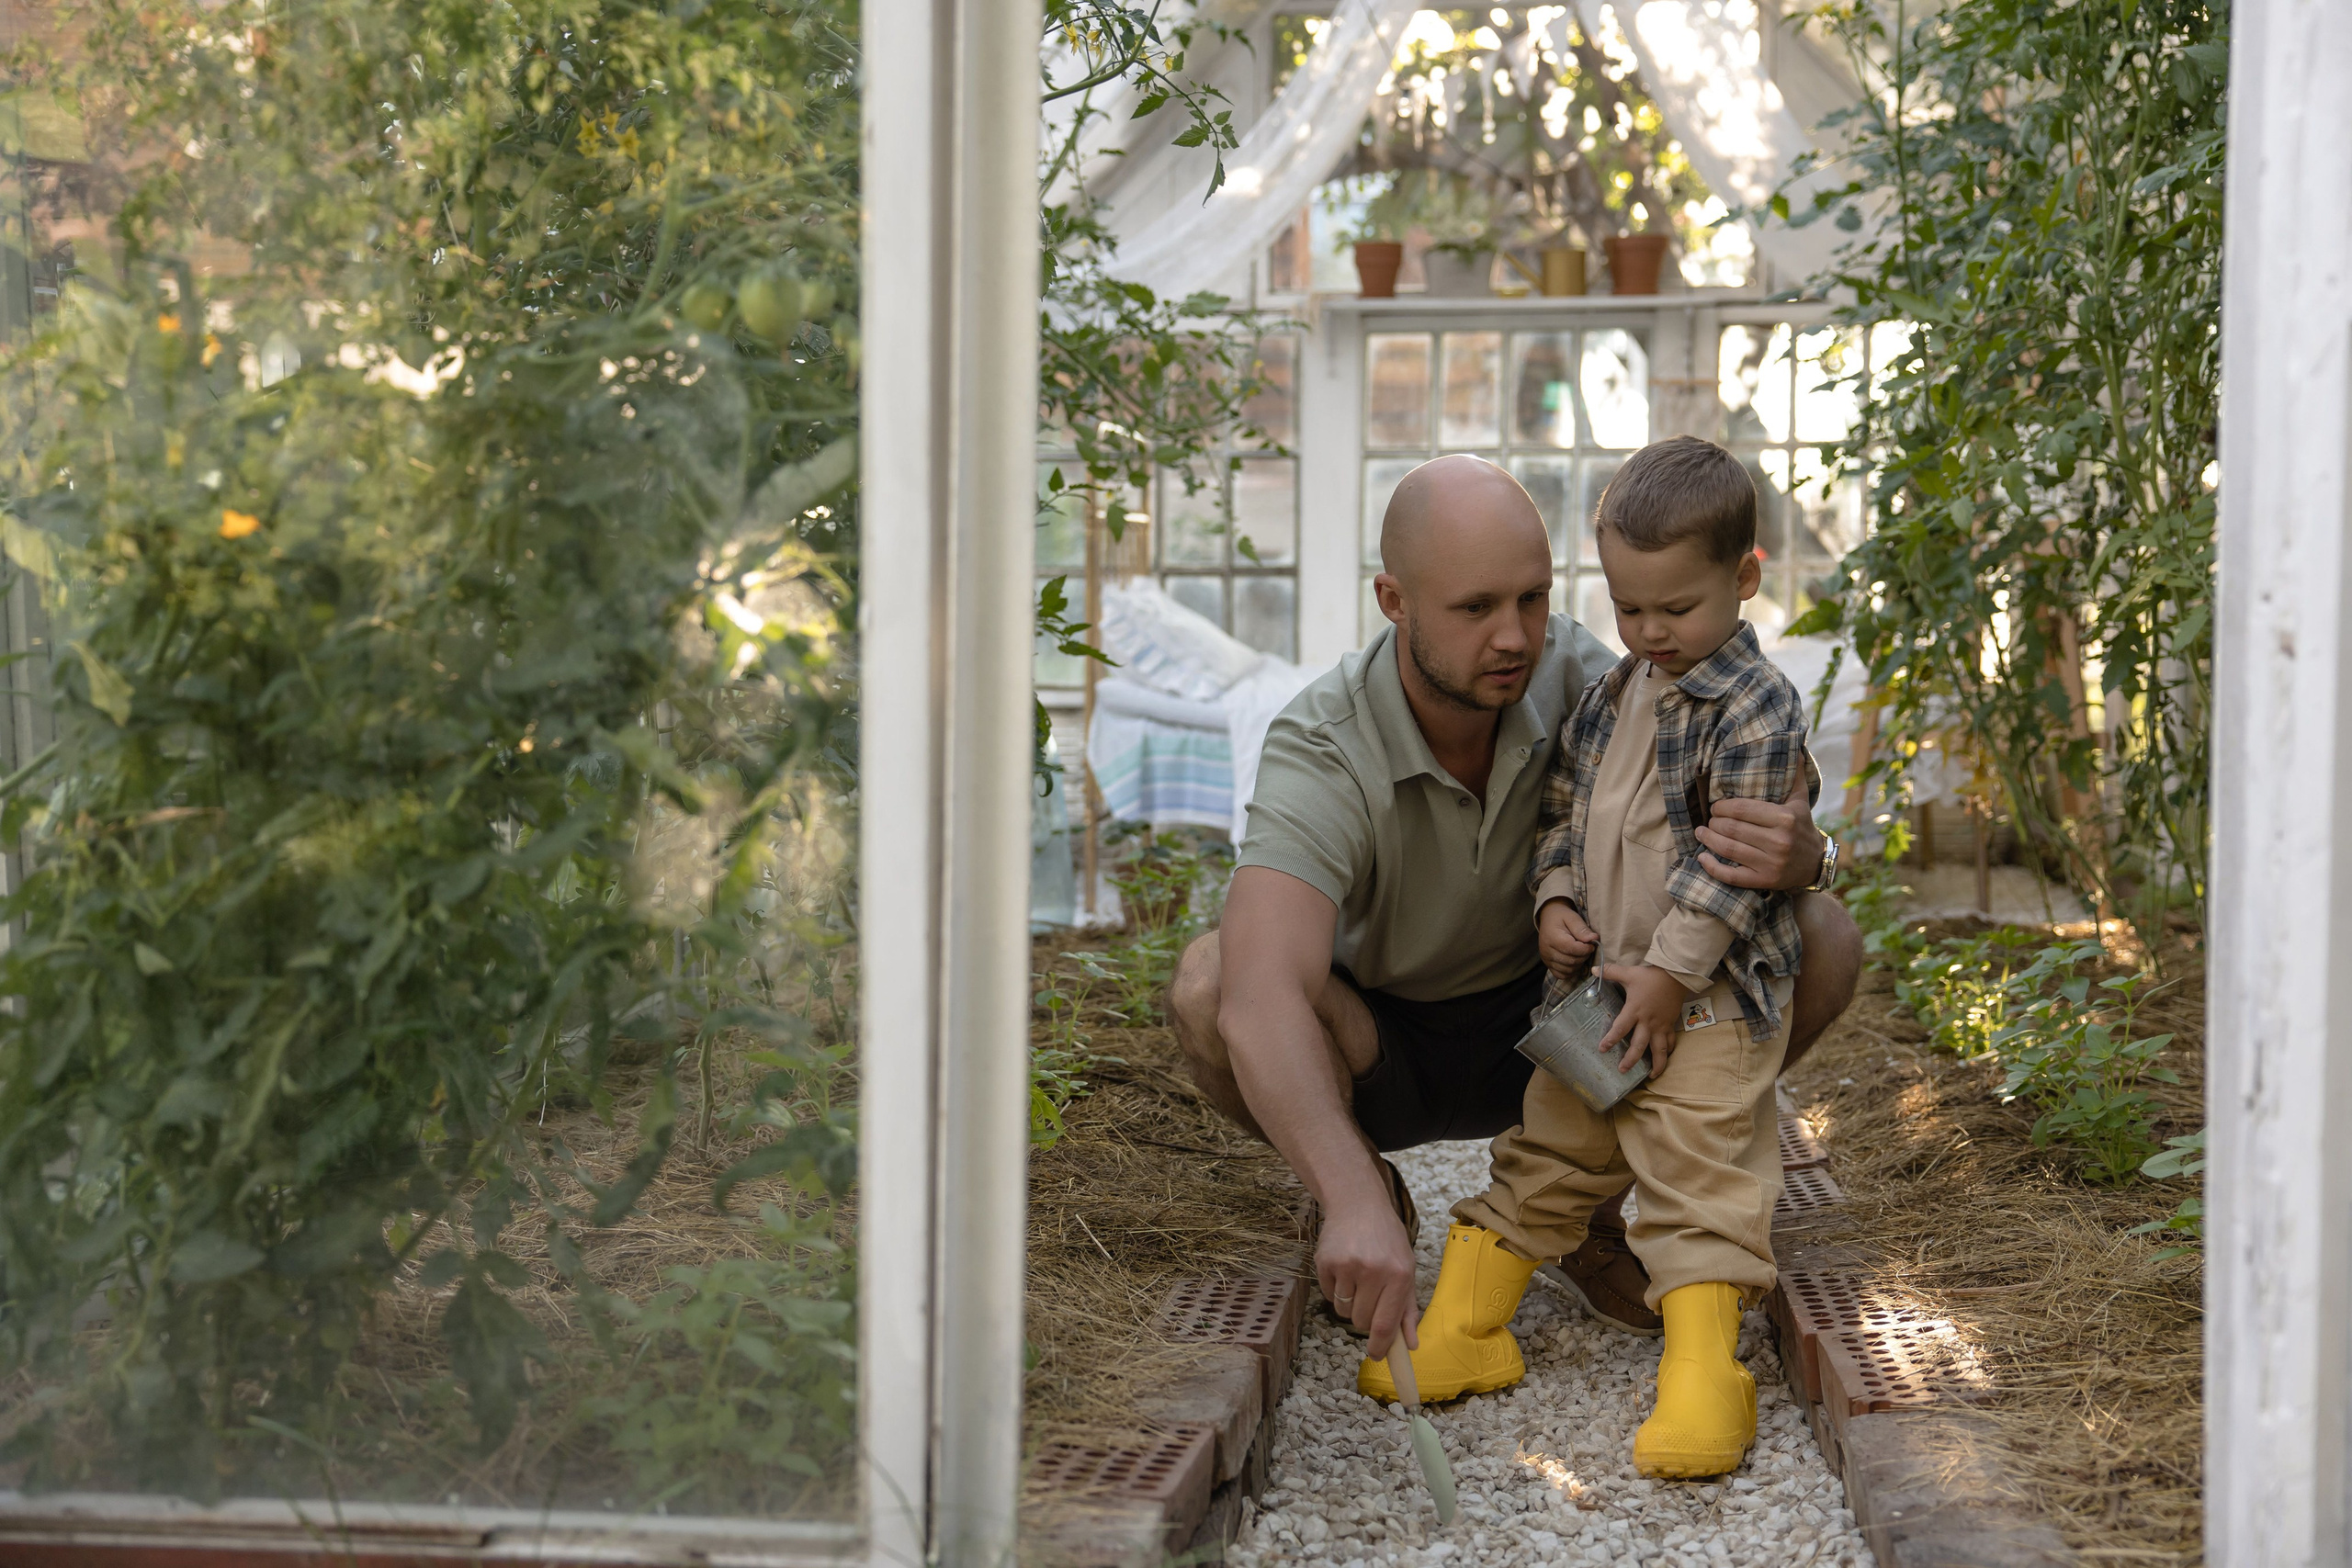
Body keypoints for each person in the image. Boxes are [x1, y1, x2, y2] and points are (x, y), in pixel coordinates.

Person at [1169, 453, 1858, 1367]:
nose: (1514, 637)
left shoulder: (1588, 675)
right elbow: (1256, 995)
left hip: (1569, 1017)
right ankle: (1369, 1194)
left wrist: (1812, 858)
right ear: (1393, 601)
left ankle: (1587, 1212)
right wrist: (1350, 1198)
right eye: (1474, 607)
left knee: (1824, 938)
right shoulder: (1323, 742)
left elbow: (1736, 794)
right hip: (1385, 1047)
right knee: (1208, 977)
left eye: (1531, 599)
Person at [1353, 436, 1811, 1479]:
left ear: (1744, 580)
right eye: (1627, 607)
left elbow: (1734, 864)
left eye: (1674, 609)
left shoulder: (1753, 706)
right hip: (1602, 993)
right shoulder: (1614, 694)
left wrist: (1670, 972)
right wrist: (1556, 895)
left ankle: (1705, 1377)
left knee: (1699, 1176)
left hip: (1705, 1007)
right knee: (1550, 1148)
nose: (1648, 632)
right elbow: (1561, 808)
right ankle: (1471, 1326)